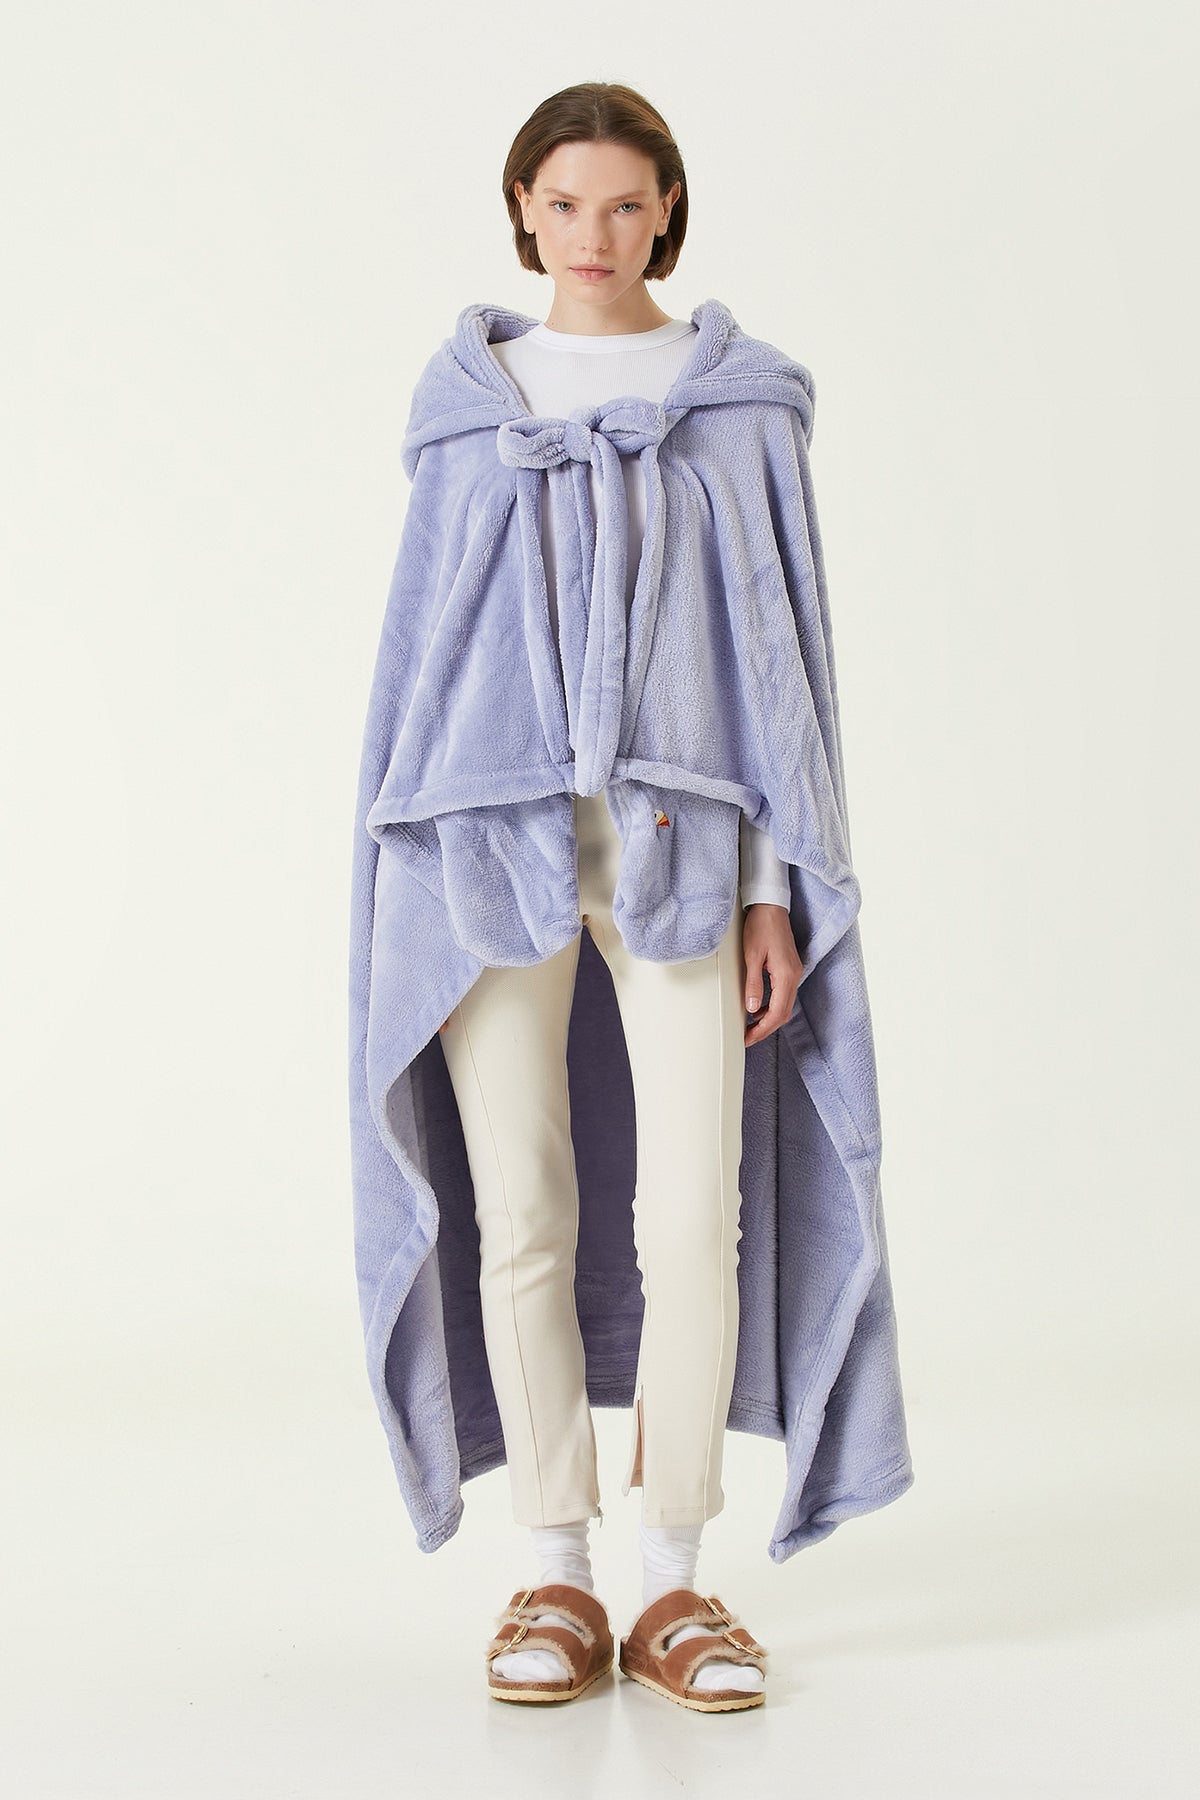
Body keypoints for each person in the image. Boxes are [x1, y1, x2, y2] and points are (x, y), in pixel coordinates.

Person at [348, 79, 914, 1714]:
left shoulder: (742, 406)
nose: (591, 234)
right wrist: (412, 860)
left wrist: (772, 889)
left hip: (687, 849)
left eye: (623, 203)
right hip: (486, 849)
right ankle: (555, 1568)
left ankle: (673, 1579)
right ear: (521, 210)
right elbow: (426, 661)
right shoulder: (467, 408)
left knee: (691, 1218)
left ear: (666, 211)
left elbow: (777, 671)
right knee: (519, 1209)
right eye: (563, 202)